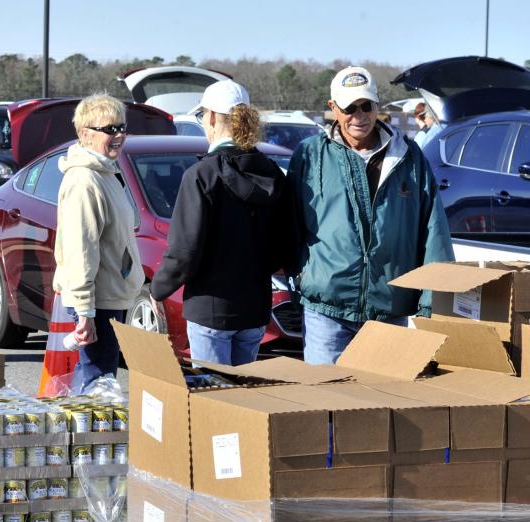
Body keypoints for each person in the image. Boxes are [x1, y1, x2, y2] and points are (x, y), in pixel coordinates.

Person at [287, 66, 454, 365]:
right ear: (333, 108)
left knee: (382, 405)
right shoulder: (309, 155)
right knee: (325, 403)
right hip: (327, 309)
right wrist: (301, 275)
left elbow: (433, 230)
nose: (359, 116)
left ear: (378, 105)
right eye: (349, 108)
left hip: (389, 310)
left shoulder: (410, 157)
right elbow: (288, 221)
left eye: (366, 106)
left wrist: (433, 300)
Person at [150, 80, 290, 366]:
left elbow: (184, 251)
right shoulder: (273, 172)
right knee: (243, 402)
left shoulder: (201, 175)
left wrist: (158, 288)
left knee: (213, 400)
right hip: (254, 307)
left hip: (210, 307)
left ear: (211, 117)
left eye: (203, 117)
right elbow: (282, 245)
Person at [53, 93, 144, 392]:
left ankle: (89, 436)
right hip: (96, 301)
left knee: (100, 379)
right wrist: (85, 312)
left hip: (109, 296)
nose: (118, 135)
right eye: (110, 129)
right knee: (97, 385)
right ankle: (84, 439)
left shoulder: (106, 172)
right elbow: (81, 251)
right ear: (85, 134)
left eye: (122, 128)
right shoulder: (85, 181)